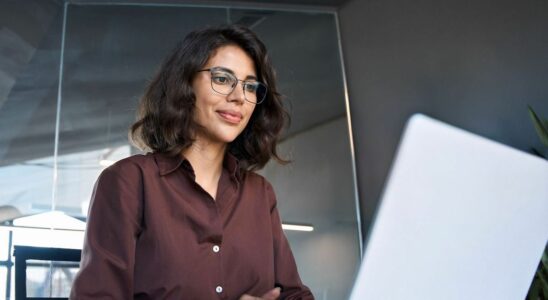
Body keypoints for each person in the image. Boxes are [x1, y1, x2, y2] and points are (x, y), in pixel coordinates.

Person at [70, 25, 314, 300]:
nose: (238, 97)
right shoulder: (129, 181)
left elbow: (294, 295)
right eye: (222, 79)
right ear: (185, 84)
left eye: (249, 86)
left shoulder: (260, 193)